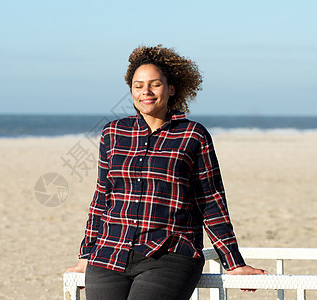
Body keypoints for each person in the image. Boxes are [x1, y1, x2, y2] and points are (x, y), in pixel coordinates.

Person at [66, 45, 266, 300]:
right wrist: (86, 255)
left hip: (169, 255)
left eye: (154, 84)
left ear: (171, 89)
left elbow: (211, 201)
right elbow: (102, 198)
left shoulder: (193, 135)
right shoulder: (113, 132)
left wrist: (234, 262)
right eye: (138, 86)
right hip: (109, 254)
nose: (145, 92)